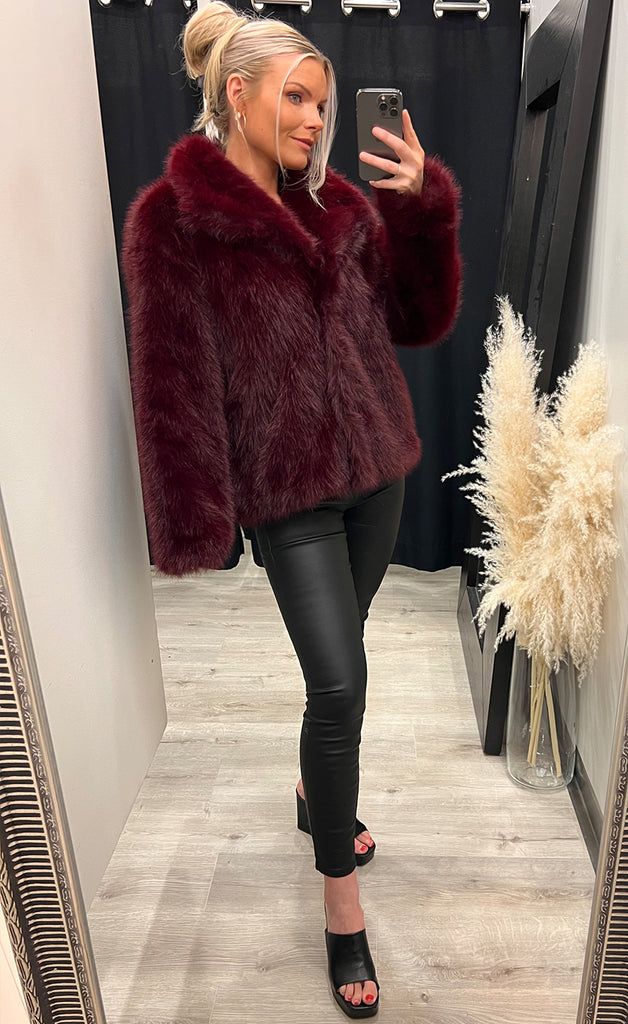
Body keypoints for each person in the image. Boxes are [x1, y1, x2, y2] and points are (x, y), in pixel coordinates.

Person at [121, 1, 463, 1016]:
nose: (317, 120)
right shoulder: (173, 220)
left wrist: (420, 209)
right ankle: (341, 903)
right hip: (290, 495)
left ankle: (319, 791)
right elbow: (170, 378)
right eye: (299, 99)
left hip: (378, 475)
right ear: (239, 93)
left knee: (336, 676)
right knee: (342, 682)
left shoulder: (340, 208)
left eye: (323, 102)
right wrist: (195, 520)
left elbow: (418, 319)